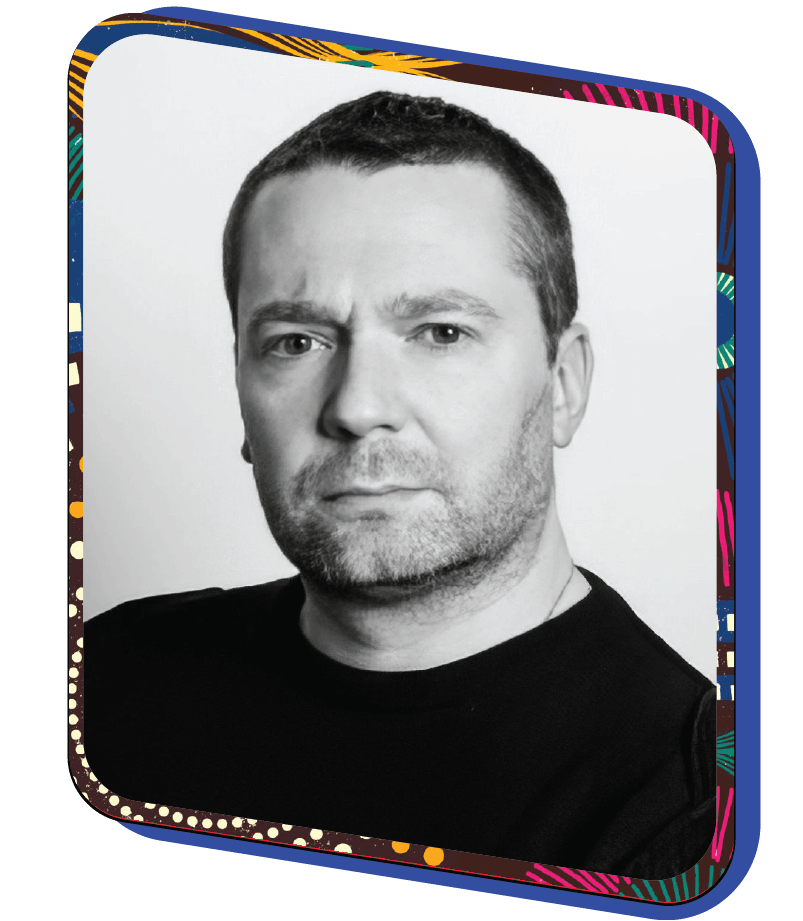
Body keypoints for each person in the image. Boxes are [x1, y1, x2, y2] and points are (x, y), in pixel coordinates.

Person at [84, 91, 716, 878]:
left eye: (440, 333)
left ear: (562, 384)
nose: (357, 406)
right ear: (241, 392)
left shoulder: (690, 812)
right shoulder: (104, 679)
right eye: (296, 341)